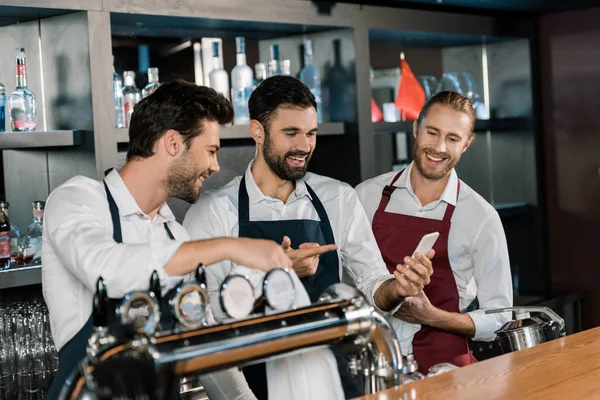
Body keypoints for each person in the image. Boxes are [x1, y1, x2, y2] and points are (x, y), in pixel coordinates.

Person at [183, 75, 434, 399]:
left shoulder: (338, 197)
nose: (304, 146)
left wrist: (397, 288)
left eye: (311, 133)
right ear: (258, 131)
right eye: (291, 133)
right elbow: (206, 325)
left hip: (341, 382)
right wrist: (274, 275)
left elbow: (373, 285)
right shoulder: (215, 212)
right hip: (260, 387)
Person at [42, 80, 292, 400]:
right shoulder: (78, 200)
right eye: (211, 151)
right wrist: (229, 246)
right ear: (173, 143)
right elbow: (106, 270)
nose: (215, 166)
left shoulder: (174, 235)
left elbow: (203, 345)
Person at [355, 91, 513, 374]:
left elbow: (500, 318)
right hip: (374, 366)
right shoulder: (366, 196)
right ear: (416, 129)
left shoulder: (481, 216)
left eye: (452, 138)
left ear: (467, 143)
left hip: (447, 373)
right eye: (432, 132)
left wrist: (433, 317)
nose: (439, 147)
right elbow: (347, 286)